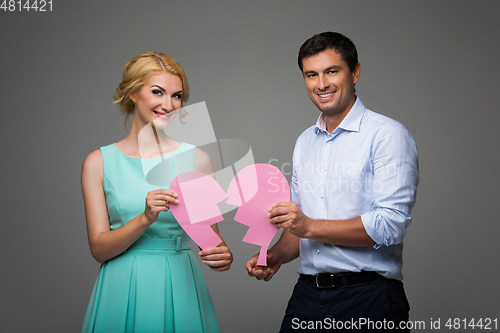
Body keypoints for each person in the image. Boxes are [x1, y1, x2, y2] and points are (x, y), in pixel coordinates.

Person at [246, 32, 419, 332]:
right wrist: (275, 255)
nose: (321, 84)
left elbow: (390, 225)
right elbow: (299, 226)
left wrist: (308, 226)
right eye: (311, 74)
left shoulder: (387, 135)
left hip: (368, 297)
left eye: (331, 71)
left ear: (355, 72)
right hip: (307, 297)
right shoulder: (304, 142)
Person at [81, 52, 232, 333]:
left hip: (179, 283)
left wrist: (222, 256)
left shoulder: (197, 159)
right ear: (133, 94)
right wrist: (145, 217)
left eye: (177, 96)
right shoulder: (97, 162)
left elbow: (212, 243)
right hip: (121, 285)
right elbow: (99, 250)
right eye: (157, 92)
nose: (168, 104)